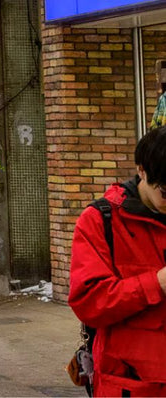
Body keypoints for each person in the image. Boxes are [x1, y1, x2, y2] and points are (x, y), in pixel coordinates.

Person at [68, 126, 166, 397]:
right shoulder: (100, 221)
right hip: (130, 383)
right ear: (142, 171)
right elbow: (88, 301)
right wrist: (156, 284)